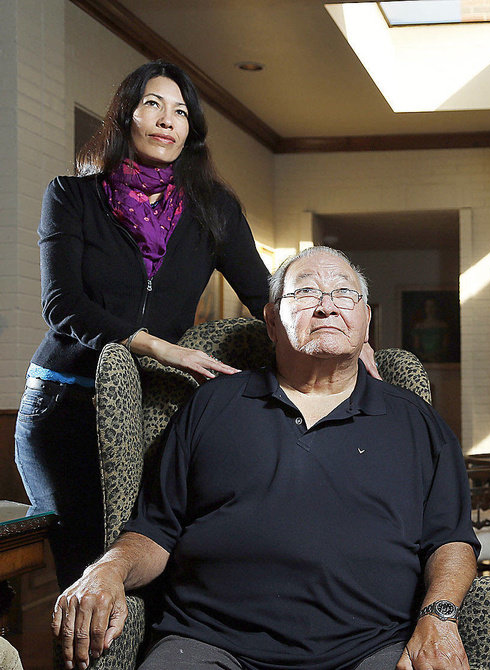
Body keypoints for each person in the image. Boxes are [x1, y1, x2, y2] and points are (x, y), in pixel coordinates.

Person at [52, 246, 479, 670]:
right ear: (272, 322)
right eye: (306, 293)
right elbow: (154, 531)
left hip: (373, 648)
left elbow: (451, 539)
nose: (327, 308)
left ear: (366, 320)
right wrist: (109, 568)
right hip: (209, 643)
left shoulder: (416, 421)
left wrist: (438, 616)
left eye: (345, 294)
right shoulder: (211, 405)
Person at [14, 61, 274, 591]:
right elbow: (62, 304)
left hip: (148, 408)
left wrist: (336, 331)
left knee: (145, 564)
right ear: (126, 115)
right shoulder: (71, 197)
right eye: (153, 104)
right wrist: (162, 349)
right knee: (83, 569)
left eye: (181, 112)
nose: (166, 120)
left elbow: (264, 296)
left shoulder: (214, 210)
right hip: (64, 407)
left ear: (191, 132)